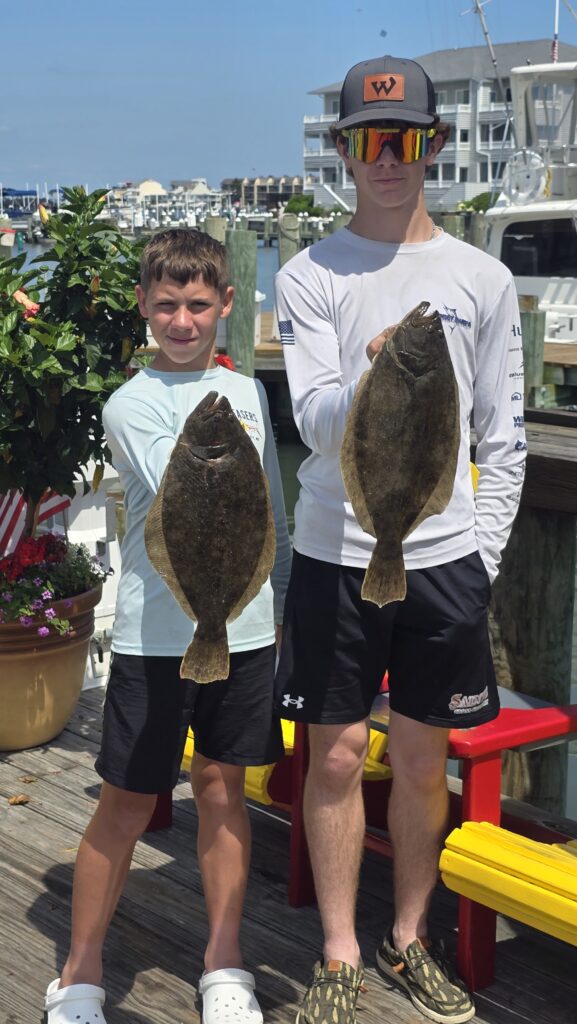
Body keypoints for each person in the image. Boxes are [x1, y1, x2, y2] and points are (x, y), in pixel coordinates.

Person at [274, 55, 526, 1024]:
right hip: (340, 552)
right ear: (342, 150)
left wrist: (482, 559)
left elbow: (500, 436)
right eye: (370, 140)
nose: (389, 157)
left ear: (435, 146)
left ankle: (407, 934)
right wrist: (378, 373)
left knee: (424, 760)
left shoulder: (483, 277)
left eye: (408, 139)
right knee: (333, 756)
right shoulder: (307, 275)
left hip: (445, 562)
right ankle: (338, 951)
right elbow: (314, 419)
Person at [44, 228, 292, 1024]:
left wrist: (277, 610)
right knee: (126, 798)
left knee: (223, 791)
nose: (181, 321)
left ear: (224, 305)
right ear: (144, 310)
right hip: (160, 636)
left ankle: (224, 959)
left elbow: (271, 517)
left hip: (243, 630)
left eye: (196, 305)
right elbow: (183, 486)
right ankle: (79, 972)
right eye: (165, 306)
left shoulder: (251, 396)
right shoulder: (130, 403)